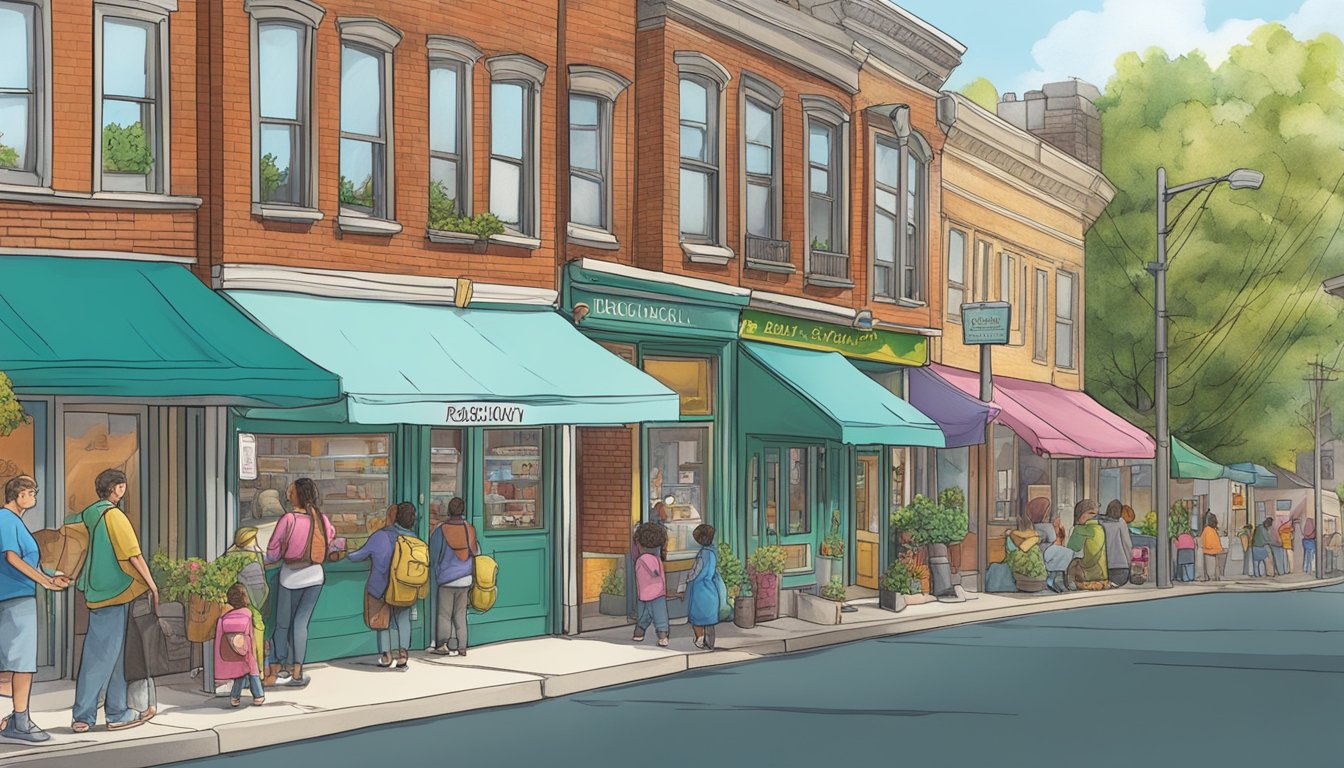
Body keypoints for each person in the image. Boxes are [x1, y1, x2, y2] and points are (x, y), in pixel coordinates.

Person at [71, 469, 159, 733]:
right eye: (123, 485)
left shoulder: (88, 514)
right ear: (117, 488)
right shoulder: (114, 516)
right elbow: (133, 555)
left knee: (116, 654)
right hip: (116, 591)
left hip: (95, 591)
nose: (124, 489)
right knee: (102, 655)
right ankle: (84, 716)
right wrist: (152, 585)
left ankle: (117, 711)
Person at [0, 475, 68, 742]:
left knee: (14, 663)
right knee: (22, 663)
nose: (34, 498)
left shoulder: (14, 522)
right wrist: (45, 582)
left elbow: (28, 562)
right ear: (18, 496)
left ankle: (16, 719)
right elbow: (11, 557)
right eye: (31, 493)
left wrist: (52, 575)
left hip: (17, 596)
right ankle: (20, 722)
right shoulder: (6, 519)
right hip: (14, 599)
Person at [263, 478, 344, 687]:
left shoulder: (288, 519)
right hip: (315, 576)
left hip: (290, 577)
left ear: (296, 495)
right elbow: (331, 539)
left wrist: (265, 560)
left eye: (291, 492)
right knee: (301, 624)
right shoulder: (321, 518)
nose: (288, 495)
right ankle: (298, 671)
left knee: (283, 624)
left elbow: (273, 551)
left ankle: (281, 667)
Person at [348, 502, 418, 669]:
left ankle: (386, 656)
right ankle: (403, 655)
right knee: (403, 620)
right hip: (404, 587)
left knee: (382, 621)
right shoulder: (413, 538)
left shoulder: (379, 536)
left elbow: (357, 556)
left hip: (381, 587)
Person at [430, 497, 478, 657]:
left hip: (447, 578)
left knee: (444, 613)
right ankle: (462, 646)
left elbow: (434, 555)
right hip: (466, 577)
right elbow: (476, 551)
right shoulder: (469, 528)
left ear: (449, 510)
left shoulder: (441, 530)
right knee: (460, 614)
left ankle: (443, 644)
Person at [215, 583, 263, 708]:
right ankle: (258, 695)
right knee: (253, 671)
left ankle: (235, 697)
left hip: (231, 650)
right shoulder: (247, 613)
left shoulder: (225, 617)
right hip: (246, 649)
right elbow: (250, 634)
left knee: (239, 673)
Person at [682, 524, 723, 650]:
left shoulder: (702, 554)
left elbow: (696, 571)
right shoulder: (713, 552)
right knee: (709, 617)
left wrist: (687, 579)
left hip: (700, 589)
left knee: (697, 617)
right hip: (711, 588)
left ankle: (700, 639)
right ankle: (710, 642)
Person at [632, 523, 670, 646]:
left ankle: (639, 633)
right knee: (660, 615)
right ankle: (662, 636)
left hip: (644, 593)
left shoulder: (642, 559)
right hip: (658, 592)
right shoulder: (652, 558)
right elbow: (655, 572)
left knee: (644, 616)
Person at [1030, 498, 1078, 592]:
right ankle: (1058, 578)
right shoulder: (1046, 527)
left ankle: (1053, 578)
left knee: (1062, 552)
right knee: (1068, 552)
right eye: (1046, 511)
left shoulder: (1033, 525)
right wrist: (1058, 528)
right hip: (1047, 554)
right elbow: (1054, 540)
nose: (1047, 514)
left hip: (1044, 553)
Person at [1066, 499, 1109, 589]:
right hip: (1102, 575)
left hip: (1085, 576)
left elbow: (1072, 549)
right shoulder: (1100, 528)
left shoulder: (1079, 530)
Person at [1099, 500, 1133, 587]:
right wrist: (1130, 562)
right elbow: (1127, 544)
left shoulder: (1101, 523)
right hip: (1121, 567)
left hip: (1103, 568)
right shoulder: (1121, 523)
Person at [1200, 513, 1225, 582]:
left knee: (1210, 566)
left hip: (1209, 551)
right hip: (1216, 550)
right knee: (1215, 566)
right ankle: (1216, 578)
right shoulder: (1213, 530)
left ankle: (1211, 579)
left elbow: (1206, 542)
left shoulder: (1207, 529)